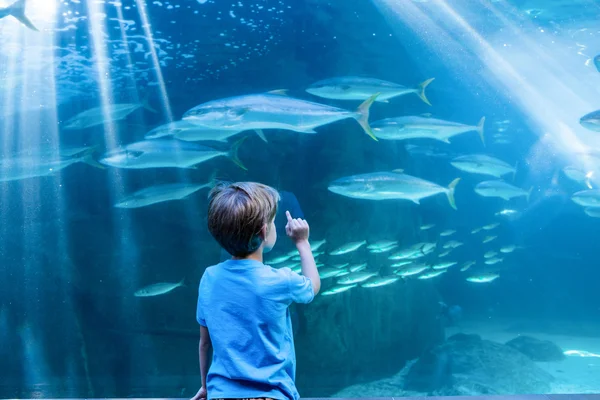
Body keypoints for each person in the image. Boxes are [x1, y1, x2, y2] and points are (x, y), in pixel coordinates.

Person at [192, 182, 321, 400]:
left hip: (220, 395)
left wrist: (205, 386)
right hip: (272, 395)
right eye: (272, 221)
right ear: (264, 231)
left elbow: (205, 342)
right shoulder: (280, 280)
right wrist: (302, 243)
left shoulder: (209, 278)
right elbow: (312, 287)